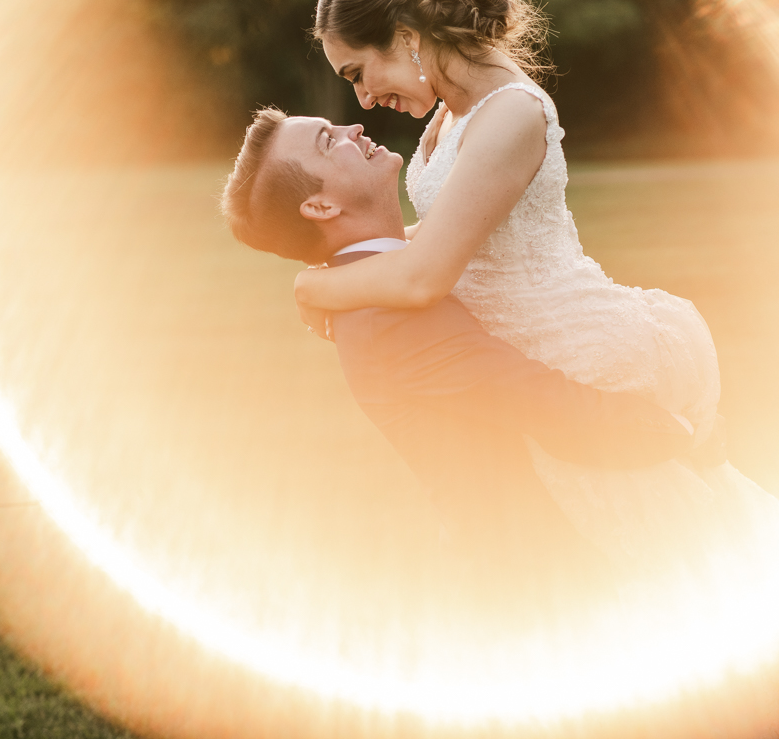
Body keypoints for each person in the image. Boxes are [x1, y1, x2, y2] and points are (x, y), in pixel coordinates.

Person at [295, 0, 779, 577]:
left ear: (406, 32)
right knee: (666, 565)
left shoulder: (510, 114)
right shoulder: (450, 116)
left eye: (358, 72)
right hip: (540, 360)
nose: (361, 100)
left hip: (584, 354)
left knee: (695, 569)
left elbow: (425, 276)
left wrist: (313, 288)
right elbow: (448, 240)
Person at [221, 105, 713, 602]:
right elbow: (551, 405)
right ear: (321, 208)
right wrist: (683, 434)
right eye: (329, 141)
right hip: (546, 582)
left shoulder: (399, 269)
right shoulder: (384, 321)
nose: (355, 127)